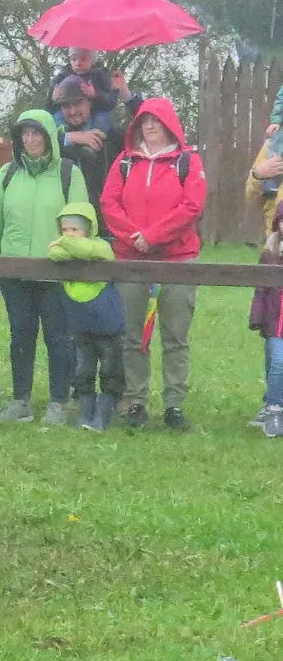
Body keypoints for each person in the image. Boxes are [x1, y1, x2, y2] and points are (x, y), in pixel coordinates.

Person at [100, 98, 206, 432]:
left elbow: (192, 206)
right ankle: (136, 401)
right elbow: (108, 203)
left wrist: (155, 236)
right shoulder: (124, 162)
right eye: (143, 121)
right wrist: (136, 238)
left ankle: (174, 404)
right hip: (132, 261)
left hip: (178, 259)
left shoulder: (188, 161)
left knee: (175, 336)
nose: (149, 126)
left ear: (169, 124)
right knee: (134, 336)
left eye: (155, 121)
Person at [0, 109, 88, 424]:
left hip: (57, 271)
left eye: (36, 133)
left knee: (59, 337)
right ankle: (20, 401)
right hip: (15, 272)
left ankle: (59, 402)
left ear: (48, 136)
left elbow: (81, 221)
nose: (30, 140)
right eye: (24, 134)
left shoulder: (69, 173)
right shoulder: (6, 174)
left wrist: (72, 261)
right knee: (21, 336)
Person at [47, 202, 125, 432]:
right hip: (80, 324)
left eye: (75, 230)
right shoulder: (65, 250)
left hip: (107, 323)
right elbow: (53, 253)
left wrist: (63, 242)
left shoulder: (101, 247)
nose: (69, 235)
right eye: (64, 230)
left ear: (89, 229)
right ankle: (85, 414)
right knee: (83, 371)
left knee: (110, 370)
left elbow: (90, 251)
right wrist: (65, 244)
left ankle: (103, 415)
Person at [53, 75, 124, 221]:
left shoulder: (112, 135)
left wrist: (128, 96)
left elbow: (148, 130)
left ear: (90, 102)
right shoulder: (55, 137)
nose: (72, 111)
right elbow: (30, 145)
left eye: (78, 103)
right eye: (66, 106)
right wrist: (68, 138)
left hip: (105, 221)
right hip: (66, 220)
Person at [249, 201, 283, 438]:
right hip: (275, 324)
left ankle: (274, 405)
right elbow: (261, 290)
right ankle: (272, 408)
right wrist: (257, 317)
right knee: (276, 362)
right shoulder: (269, 255)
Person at [48, 48, 119, 132]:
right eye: (74, 59)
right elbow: (49, 107)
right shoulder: (62, 76)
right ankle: (61, 135)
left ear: (92, 60)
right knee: (57, 117)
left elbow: (111, 101)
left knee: (102, 118)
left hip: (98, 110)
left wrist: (96, 94)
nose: (78, 63)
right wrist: (53, 98)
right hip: (67, 117)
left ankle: (95, 138)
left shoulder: (100, 74)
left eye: (83, 59)